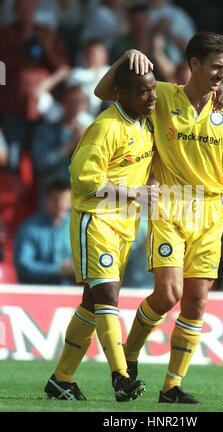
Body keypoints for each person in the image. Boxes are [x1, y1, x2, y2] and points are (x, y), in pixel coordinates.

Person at [95, 32, 223, 403]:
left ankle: (172, 386)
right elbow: (104, 93)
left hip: (211, 211)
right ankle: (130, 354)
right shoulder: (161, 96)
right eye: (215, 67)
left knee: (196, 303)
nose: (221, 76)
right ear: (193, 64)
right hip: (169, 203)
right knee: (167, 295)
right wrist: (126, 56)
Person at [44, 60, 160, 402]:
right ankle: (121, 376)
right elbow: (84, 180)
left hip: (125, 225)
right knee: (108, 296)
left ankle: (60, 379)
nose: (152, 95)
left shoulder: (145, 123)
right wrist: (135, 194)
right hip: (95, 220)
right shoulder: (106, 126)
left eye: (154, 88)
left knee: (93, 303)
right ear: (121, 94)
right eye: (144, 90)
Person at [14, 180, 74, 285]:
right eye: (55, 199)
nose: (60, 204)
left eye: (65, 199)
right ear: (46, 200)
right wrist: (57, 270)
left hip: (72, 292)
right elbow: (24, 266)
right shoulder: (29, 228)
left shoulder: (77, 227)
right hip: (36, 293)